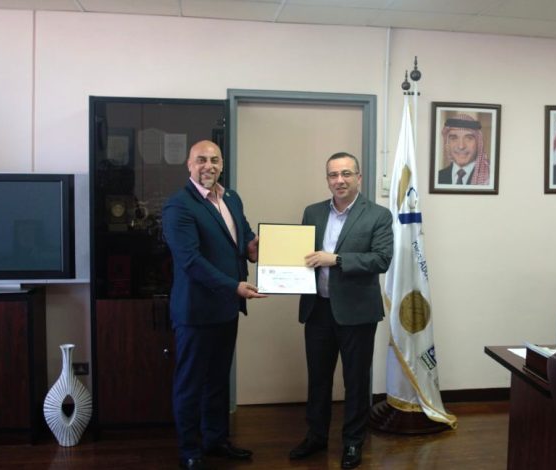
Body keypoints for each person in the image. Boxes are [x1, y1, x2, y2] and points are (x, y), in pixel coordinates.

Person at [162, 139, 265, 470]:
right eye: (201, 160)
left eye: (215, 160)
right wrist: (234, 286)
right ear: (189, 165)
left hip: (226, 309)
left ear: (222, 164)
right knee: (191, 384)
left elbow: (245, 242)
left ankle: (216, 440)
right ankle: (190, 450)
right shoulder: (178, 205)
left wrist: (269, 249)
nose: (209, 165)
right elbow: (190, 261)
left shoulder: (231, 198)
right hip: (196, 311)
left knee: (219, 380)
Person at [289, 152, 393, 469]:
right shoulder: (313, 212)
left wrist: (336, 259)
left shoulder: (378, 215)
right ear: (327, 180)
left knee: (356, 381)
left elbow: (381, 259)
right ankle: (316, 437)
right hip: (318, 309)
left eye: (346, 173)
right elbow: (300, 255)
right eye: (333, 175)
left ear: (358, 177)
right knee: (318, 379)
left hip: (357, 313)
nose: (340, 180)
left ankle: (352, 442)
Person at [436, 114, 491, 185]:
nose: (461, 146)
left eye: (469, 138)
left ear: (478, 143)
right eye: (454, 138)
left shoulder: (490, 177)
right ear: (447, 143)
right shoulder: (437, 177)